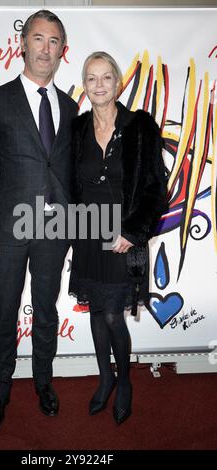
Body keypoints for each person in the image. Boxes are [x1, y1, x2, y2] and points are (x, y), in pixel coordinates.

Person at [0, 10, 78, 430]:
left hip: (55, 231)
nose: (45, 49)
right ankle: (0, 390)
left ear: (61, 51)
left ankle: (43, 382)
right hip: (8, 229)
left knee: (47, 311)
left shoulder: (70, 106)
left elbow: (69, 168)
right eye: (38, 38)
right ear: (23, 44)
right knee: (3, 310)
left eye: (53, 41)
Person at [69, 51, 167, 425]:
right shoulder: (77, 129)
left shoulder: (140, 126)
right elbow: (68, 184)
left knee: (112, 313)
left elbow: (157, 188)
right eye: (91, 78)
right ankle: (105, 376)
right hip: (87, 232)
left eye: (106, 77)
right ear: (84, 85)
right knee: (96, 309)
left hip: (121, 234)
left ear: (118, 82)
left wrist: (133, 231)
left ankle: (123, 381)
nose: (98, 85)